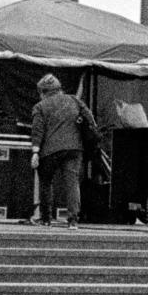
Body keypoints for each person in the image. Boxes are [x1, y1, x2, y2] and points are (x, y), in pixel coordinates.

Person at [28, 72, 94, 227]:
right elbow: (90, 120)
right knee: (72, 183)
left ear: (43, 92)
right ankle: (73, 220)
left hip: (49, 150)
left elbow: (37, 131)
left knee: (46, 181)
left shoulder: (40, 106)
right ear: (60, 89)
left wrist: (35, 152)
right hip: (74, 148)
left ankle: (46, 219)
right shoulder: (74, 100)